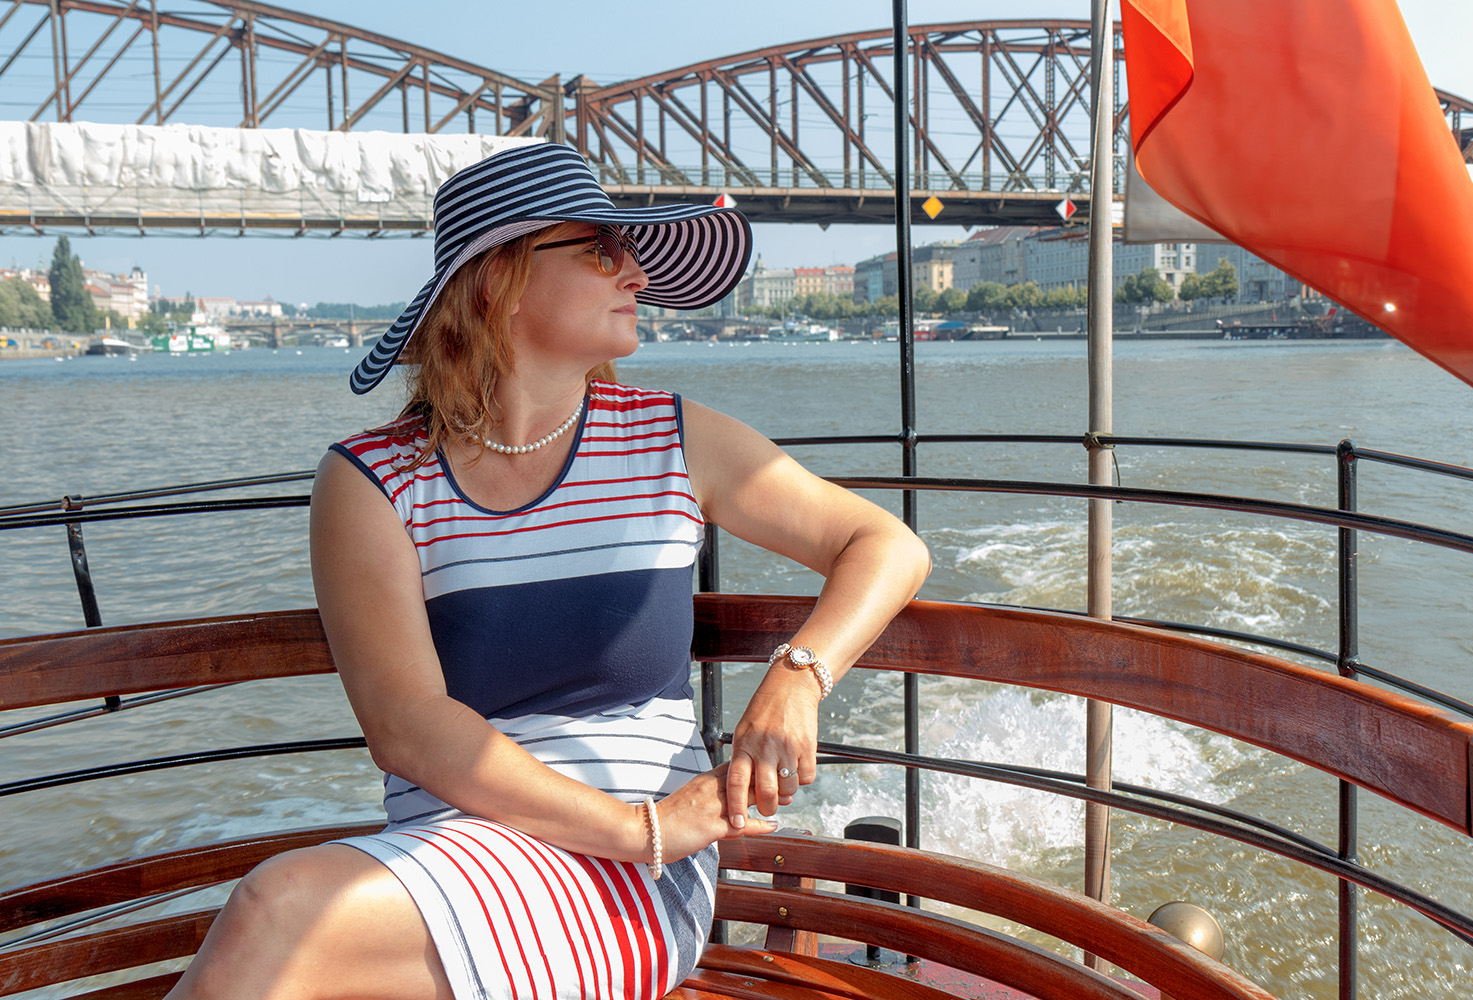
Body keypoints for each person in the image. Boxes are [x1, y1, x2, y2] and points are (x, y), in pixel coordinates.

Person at [165, 143, 929, 1000]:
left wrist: (797, 676)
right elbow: (408, 726)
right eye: (602, 250)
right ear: (500, 281)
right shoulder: (374, 480)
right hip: (474, 851)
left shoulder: (673, 439)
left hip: (639, 882)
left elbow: (888, 545)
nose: (635, 273)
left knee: (280, 915)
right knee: (281, 923)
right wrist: (637, 825)